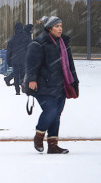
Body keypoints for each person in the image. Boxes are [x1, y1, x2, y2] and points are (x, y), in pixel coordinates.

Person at [25, 16, 80, 154]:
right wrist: (32, 79)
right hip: (43, 85)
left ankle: (53, 145)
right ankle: (38, 137)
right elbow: (31, 63)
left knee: (56, 115)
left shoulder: (64, 43)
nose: (60, 29)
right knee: (51, 111)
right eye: (56, 26)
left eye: (61, 26)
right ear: (49, 28)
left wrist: (74, 81)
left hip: (61, 85)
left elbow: (70, 65)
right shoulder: (39, 43)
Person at [4, 22, 31, 94]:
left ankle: (17, 90)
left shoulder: (12, 38)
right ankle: (21, 83)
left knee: (16, 74)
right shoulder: (26, 37)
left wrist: (8, 60)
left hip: (14, 59)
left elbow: (9, 51)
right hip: (24, 58)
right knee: (23, 73)